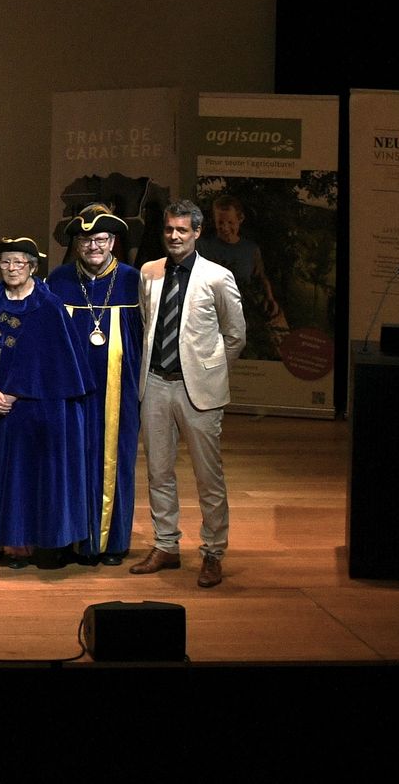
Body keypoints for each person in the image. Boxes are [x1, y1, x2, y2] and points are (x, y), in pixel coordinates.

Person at [0, 238, 94, 567]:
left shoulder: (48, 304)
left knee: (24, 476)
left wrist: (13, 392)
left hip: (31, 408)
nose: (12, 269)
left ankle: (21, 544)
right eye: (5, 262)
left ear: (32, 266)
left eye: (19, 263)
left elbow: (54, 361)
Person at [132, 200, 246, 588]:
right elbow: (148, 324)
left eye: (183, 230)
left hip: (198, 390)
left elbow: (235, 335)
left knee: (208, 477)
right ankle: (166, 545)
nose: (175, 236)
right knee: (159, 472)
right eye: (169, 230)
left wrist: (208, 370)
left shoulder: (218, 277)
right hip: (156, 384)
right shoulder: (149, 272)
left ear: (197, 232)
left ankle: (213, 551)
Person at [44, 203, 145, 567]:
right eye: (85, 240)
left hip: (119, 392)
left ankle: (112, 542)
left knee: (115, 463)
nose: (93, 247)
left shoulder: (134, 281)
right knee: (68, 461)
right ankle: (70, 539)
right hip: (69, 395)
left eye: (100, 239)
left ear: (113, 240)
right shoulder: (59, 280)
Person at [200, 194, 290, 359]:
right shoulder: (205, 247)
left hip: (244, 309)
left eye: (230, 223)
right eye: (220, 222)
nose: (225, 227)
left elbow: (261, 276)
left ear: (240, 219)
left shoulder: (250, 249)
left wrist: (270, 298)